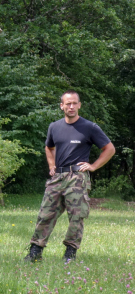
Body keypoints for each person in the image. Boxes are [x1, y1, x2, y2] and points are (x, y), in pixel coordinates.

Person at [24, 91, 115, 263]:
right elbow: (48, 147)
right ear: (62, 106)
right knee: (45, 214)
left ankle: (70, 255)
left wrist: (94, 166)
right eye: (67, 104)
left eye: (74, 103)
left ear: (79, 105)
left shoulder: (89, 127)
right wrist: (51, 165)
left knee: (76, 216)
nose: (71, 106)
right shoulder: (54, 127)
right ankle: (35, 252)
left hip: (77, 177)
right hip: (57, 178)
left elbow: (109, 149)